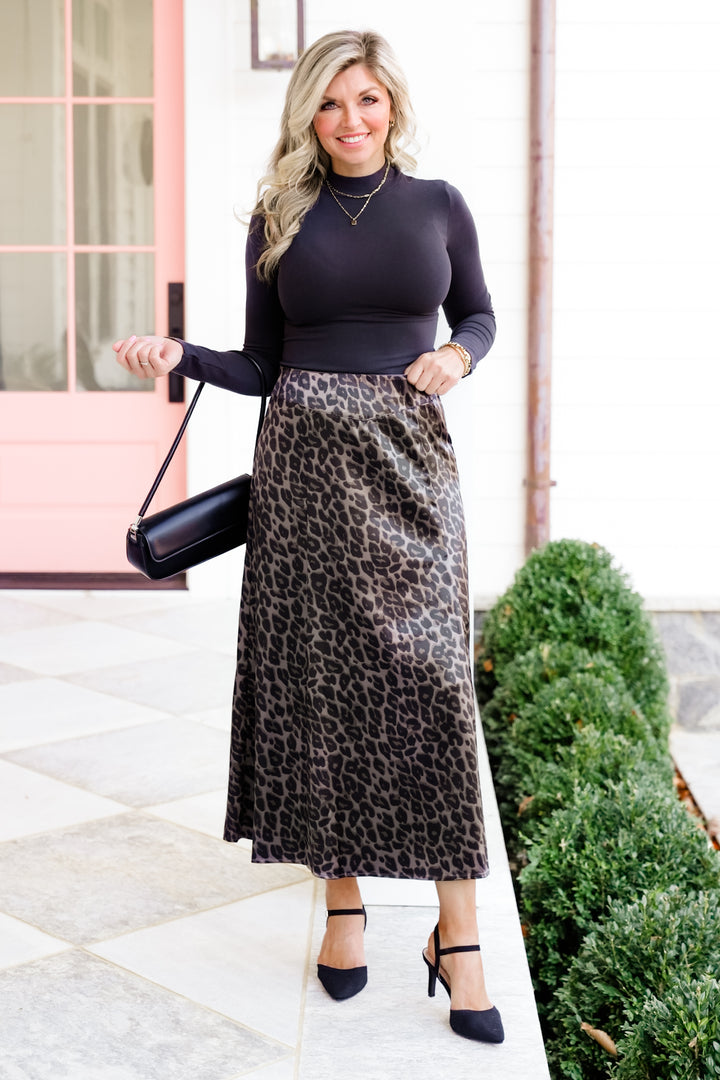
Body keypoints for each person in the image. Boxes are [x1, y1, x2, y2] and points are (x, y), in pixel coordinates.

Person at [114, 29, 503, 1045]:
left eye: (366, 99)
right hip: (304, 474)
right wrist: (180, 353)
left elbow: (478, 314)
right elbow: (260, 363)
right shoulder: (279, 213)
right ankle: (343, 906)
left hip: (411, 466)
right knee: (321, 688)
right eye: (330, 103)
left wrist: (458, 357)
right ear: (308, 115)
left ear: (392, 104)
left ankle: (459, 935)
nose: (350, 119)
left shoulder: (439, 204)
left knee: (432, 688)